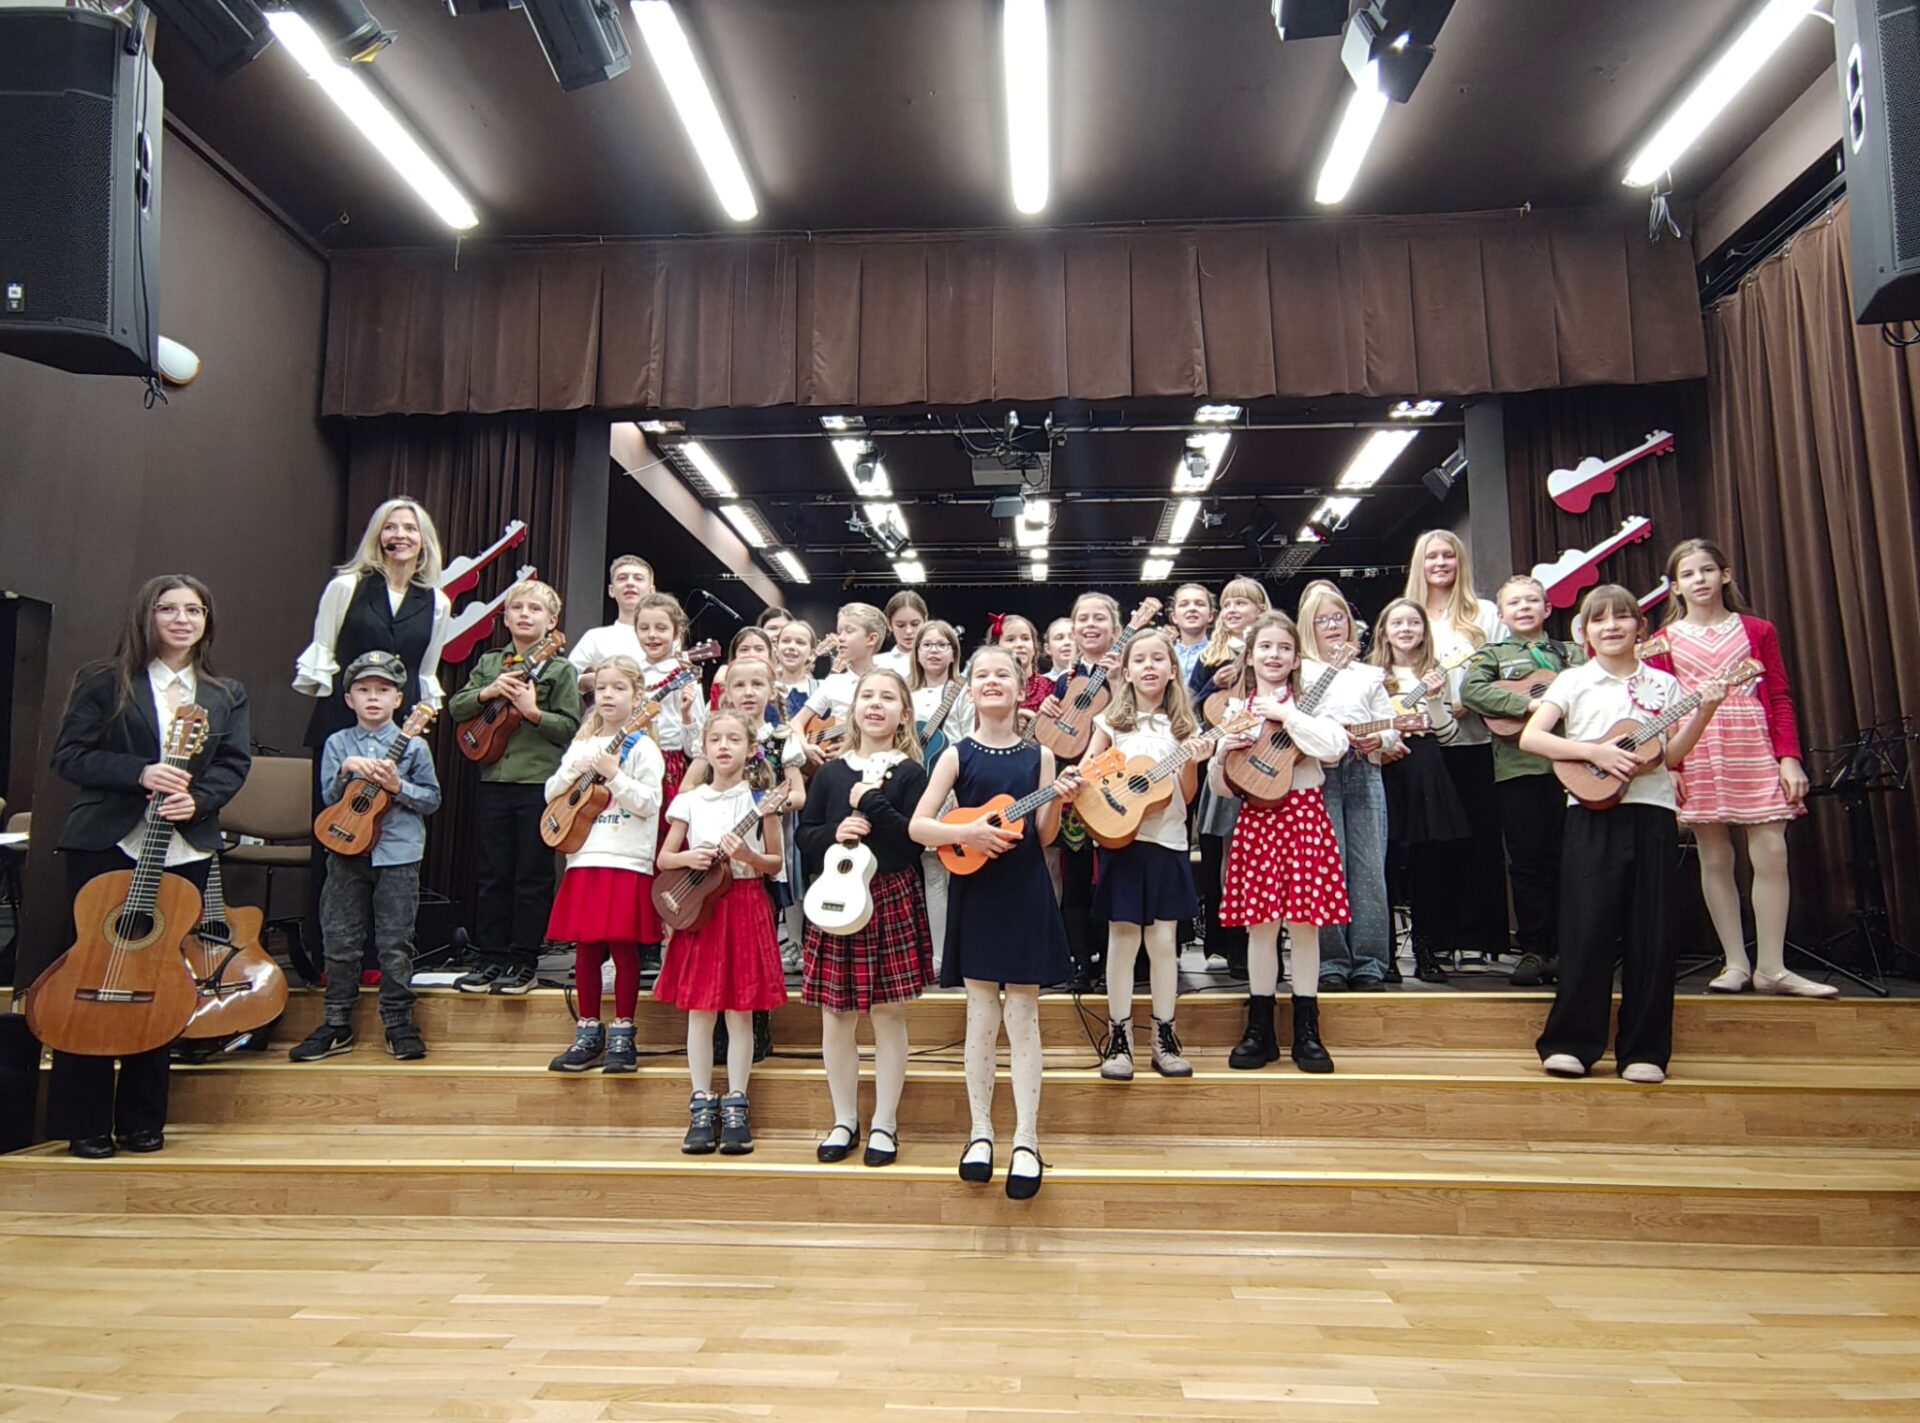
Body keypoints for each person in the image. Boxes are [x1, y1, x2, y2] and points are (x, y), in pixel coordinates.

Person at [47, 575, 252, 1158]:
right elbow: (70, 755)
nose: (182, 619)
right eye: (168, 609)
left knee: (160, 978)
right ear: (147, 616)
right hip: (106, 843)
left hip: (182, 847)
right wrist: (138, 772)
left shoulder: (225, 693)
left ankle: (143, 1117)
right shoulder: (103, 680)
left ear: (207, 621)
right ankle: (85, 1120)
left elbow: (234, 763)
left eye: (194, 610)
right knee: (92, 973)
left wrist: (199, 800)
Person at [1520, 585, 1726, 1082]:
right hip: (1589, 814)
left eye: (1621, 617)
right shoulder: (1574, 680)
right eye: (1599, 620)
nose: (1611, 626)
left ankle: (1645, 1050)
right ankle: (1571, 1042)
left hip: (1652, 812)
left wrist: (1705, 711)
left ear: (1640, 627)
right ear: (1585, 633)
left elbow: (1670, 755)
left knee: (1652, 932)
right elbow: (1532, 736)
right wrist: (1594, 752)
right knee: (1586, 927)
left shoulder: (1665, 684)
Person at [912, 645, 1080, 1200]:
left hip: (1025, 890)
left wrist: (1059, 800)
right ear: (969, 688)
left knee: (1024, 1017)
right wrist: (967, 834)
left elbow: (1045, 835)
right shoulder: (956, 755)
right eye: (981, 674)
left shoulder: (1042, 757)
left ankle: (1026, 1138)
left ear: (1021, 685)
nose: (991, 681)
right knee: (981, 1015)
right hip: (978, 890)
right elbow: (919, 826)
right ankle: (980, 1131)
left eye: (1002, 674)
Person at [1645, 538, 1833, 998]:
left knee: (1771, 851)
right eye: (1688, 574)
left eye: (1707, 570)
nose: (1699, 580)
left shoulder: (1757, 630)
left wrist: (1789, 757)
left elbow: (1780, 695)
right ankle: (1734, 962)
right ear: (1674, 586)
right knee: (1714, 855)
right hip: (1697, 746)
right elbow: (1658, 706)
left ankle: (1772, 967)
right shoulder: (1664, 640)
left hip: (1754, 744)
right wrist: (1672, 764)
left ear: (1725, 575)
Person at [294, 498, 450, 960]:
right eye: (390, 527)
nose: (400, 535)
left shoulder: (437, 602)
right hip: (341, 726)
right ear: (377, 536)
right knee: (335, 842)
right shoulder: (345, 587)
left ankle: (381, 960)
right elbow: (323, 652)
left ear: (424, 541)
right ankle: (328, 956)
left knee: (392, 839)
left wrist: (409, 729)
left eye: (410, 528)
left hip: (399, 734)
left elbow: (427, 670)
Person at [796, 670, 932, 1168]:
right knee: (836, 1015)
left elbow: (913, 840)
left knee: (888, 1014)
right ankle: (844, 1119)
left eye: (887, 698)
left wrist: (871, 805)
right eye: (867, 696)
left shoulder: (912, 774)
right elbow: (804, 836)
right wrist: (834, 832)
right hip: (836, 898)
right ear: (852, 708)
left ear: (904, 713)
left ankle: (885, 1123)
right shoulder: (831, 774)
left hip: (889, 896)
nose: (875, 704)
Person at [1209, 612, 1350, 1074]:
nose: (1274, 655)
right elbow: (1222, 789)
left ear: (1296, 658)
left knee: (1306, 925)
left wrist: (1288, 715)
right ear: (1250, 656)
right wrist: (1222, 756)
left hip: (1305, 814)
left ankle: (1308, 1029)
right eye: (1265, 647)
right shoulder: (1236, 709)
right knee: (1261, 926)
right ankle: (1260, 1028)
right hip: (1257, 819)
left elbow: (1334, 748)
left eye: (1284, 648)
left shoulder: (1312, 701)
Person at [290, 651, 441, 1063]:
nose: (373, 697)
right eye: (363, 690)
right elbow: (328, 800)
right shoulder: (338, 744)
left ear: (399, 700)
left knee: (395, 942)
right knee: (340, 939)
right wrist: (345, 771)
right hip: (344, 850)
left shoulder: (414, 745)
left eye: (383, 690)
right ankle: (336, 1021)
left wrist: (398, 786)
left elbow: (432, 800)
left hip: (397, 853)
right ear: (349, 699)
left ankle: (398, 1022)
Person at [655, 712, 790, 1155]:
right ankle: (700, 1101)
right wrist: (688, 858)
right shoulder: (689, 801)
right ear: (704, 748)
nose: (724, 746)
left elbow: (776, 863)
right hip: (702, 909)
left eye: (734, 739)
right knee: (700, 1010)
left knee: (740, 1011)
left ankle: (736, 1101)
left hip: (746, 903)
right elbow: (664, 859)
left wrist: (749, 855)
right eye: (716, 739)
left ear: (750, 749)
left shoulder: (761, 800)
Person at [1083, 629, 1210, 1080]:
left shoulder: (1185, 729)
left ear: (1173, 670)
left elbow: (1187, 795)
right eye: (1140, 659)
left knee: (1162, 943)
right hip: (1122, 840)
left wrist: (1191, 760)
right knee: (1122, 942)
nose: (1149, 666)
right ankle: (1119, 1037)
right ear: (1127, 670)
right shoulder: (1110, 723)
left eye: (1158, 659)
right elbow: (1088, 773)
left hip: (1168, 840)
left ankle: (1164, 1035)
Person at [448, 579, 583, 994]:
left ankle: (524, 960)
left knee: (532, 875)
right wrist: (488, 691)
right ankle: (489, 956)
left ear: (552, 622)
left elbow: (571, 728)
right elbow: (456, 706)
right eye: (517, 608)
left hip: (537, 785)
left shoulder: (560, 670)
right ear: (505, 618)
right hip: (493, 780)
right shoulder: (490, 663)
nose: (525, 614)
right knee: (492, 873)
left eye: (535, 609)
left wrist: (533, 712)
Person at [544, 655, 667, 1074]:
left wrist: (614, 776)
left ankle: (623, 1032)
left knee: (623, 946)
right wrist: (573, 772)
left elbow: (649, 803)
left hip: (626, 859)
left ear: (637, 696)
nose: (608, 695)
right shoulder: (583, 745)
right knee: (587, 947)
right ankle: (587, 1029)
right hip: (586, 856)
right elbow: (550, 793)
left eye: (618, 688)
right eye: (601, 689)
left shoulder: (644, 747)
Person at [1460, 575, 1584, 987]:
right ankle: (1534, 948)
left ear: (1548, 609)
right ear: (1501, 615)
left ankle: (1570, 949)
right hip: (1519, 770)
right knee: (1527, 862)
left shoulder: (1572, 653)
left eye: (1532, 601)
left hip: (1574, 769)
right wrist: (1530, 704)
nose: (1524, 608)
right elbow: (1472, 691)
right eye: (1515, 603)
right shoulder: (1493, 656)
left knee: (1571, 860)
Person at [1404, 529, 1511, 962]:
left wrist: (1472, 701)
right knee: (1430, 847)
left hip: (1476, 740)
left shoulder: (1484, 613)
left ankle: (1478, 940)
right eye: (1431, 556)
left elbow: (1503, 671)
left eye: (1448, 555)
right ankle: (1436, 940)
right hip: (1425, 746)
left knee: (1479, 840)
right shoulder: (1409, 613)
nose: (1440, 563)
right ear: (1420, 563)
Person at [1295, 584, 1400, 991]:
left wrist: (1381, 739)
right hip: (1319, 774)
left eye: (1338, 617)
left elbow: (1391, 726)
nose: (1332, 625)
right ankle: (1331, 962)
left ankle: (1370, 962)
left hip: (1363, 770)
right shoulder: (1300, 671)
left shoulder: (1368, 674)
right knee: (1326, 867)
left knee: (1369, 867)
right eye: (1322, 619)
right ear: (1309, 627)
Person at [1369, 598, 1468, 985]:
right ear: (1384, 631)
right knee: (1384, 863)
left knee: (1429, 866)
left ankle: (1427, 949)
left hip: (1426, 769)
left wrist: (1435, 699)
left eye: (1414, 622)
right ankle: (1384, 953)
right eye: (1398, 623)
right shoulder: (1370, 675)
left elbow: (1448, 734)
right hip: (1386, 768)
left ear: (1425, 632)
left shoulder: (1435, 674)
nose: (1406, 629)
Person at [1035, 591, 1126, 990]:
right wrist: (1046, 713)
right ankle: (1079, 964)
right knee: (1075, 878)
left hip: (1117, 787)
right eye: (1083, 619)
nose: (1090, 625)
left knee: (1110, 879)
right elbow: (1052, 737)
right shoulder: (1065, 682)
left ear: (1116, 628)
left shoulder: (1129, 672)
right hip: (1074, 786)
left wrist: (1119, 680)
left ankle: (1111, 963)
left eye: (1099, 618)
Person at [1189, 577, 1270, 975]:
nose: (1234, 610)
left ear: (1261, 609)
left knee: (1261, 857)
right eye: (1228, 604)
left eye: (1243, 603)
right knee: (1223, 855)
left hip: (1268, 764)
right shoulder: (1210, 657)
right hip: (1223, 764)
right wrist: (1211, 686)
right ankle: (1230, 942)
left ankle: (1262, 942)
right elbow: (1190, 708)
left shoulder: (1272, 650)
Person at [909, 619, 971, 970]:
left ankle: (965, 951)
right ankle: (939, 956)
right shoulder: (907, 694)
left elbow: (969, 736)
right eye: (927, 645)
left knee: (962, 871)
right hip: (919, 790)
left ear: (953, 653)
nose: (934, 651)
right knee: (932, 873)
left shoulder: (963, 691)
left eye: (942, 645)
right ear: (916, 653)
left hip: (955, 788)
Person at [630, 592, 706, 796]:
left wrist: (687, 715)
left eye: (661, 628)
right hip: (630, 759)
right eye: (644, 628)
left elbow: (695, 749)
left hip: (668, 764)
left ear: (676, 633)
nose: (652, 635)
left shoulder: (685, 677)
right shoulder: (629, 673)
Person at [793, 602, 886, 755]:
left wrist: (855, 746)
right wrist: (806, 747)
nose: (840, 638)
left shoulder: (889, 684)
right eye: (839, 632)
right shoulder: (834, 682)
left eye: (849, 631)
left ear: (871, 639)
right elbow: (797, 722)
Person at [566, 554, 655, 698]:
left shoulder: (665, 639)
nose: (630, 583)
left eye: (638, 578)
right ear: (611, 590)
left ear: (651, 591)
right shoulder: (595, 637)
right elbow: (566, 678)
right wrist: (595, 681)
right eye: (622, 578)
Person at [991, 613, 1055, 713]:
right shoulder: (990, 687)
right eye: (1010, 640)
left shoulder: (1051, 687)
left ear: (1034, 648)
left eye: (1025, 638)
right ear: (996, 649)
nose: (1020, 645)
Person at [709, 626, 775, 712]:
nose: (751, 654)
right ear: (735, 655)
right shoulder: (721, 680)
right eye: (744, 650)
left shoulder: (780, 685)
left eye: (759, 649)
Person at [1169, 582, 1215, 686]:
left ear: (1210, 616)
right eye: (1184, 604)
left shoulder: (1222, 653)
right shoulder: (1166, 655)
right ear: (1174, 617)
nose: (1192, 609)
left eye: (1200, 604)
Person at [875, 590, 927, 679]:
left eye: (915, 624)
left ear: (925, 620)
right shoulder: (877, 663)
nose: (908, 631)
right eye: (900, 625)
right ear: (889, 624)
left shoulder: (938, 660)